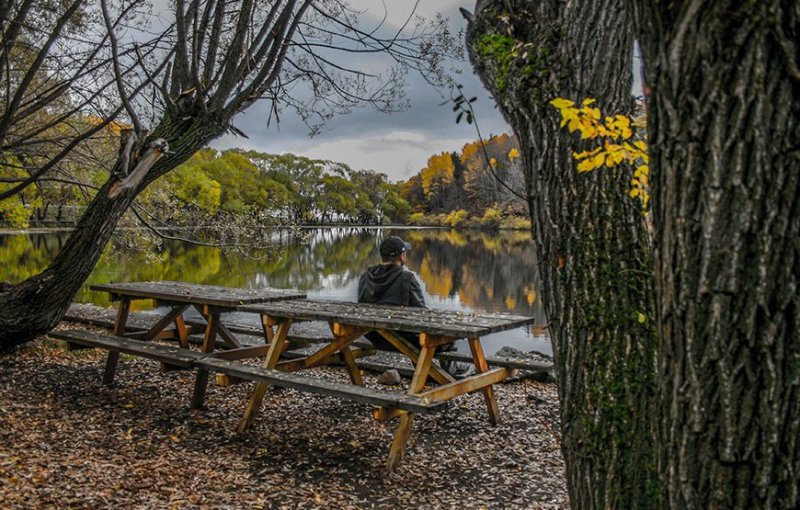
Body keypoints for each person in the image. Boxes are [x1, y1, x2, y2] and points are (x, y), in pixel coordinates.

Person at [357, 235, 473, 379]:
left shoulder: (366, 276)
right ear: (401, 256)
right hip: (402, 339)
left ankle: (429, 369)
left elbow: (361, 305)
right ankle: (451, 371)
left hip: (373, 336)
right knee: (445, 333)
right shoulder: (406, 279)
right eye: (404, 252)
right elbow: (421, 315)